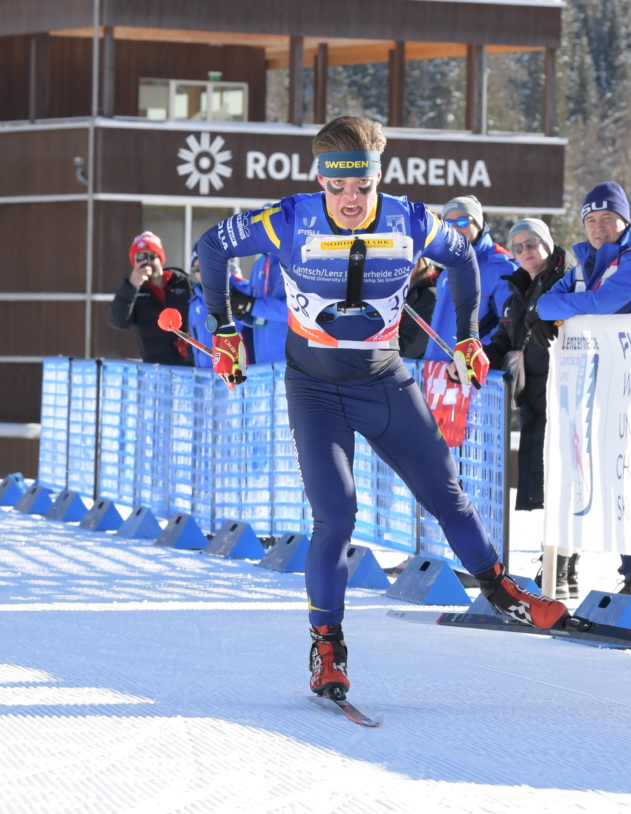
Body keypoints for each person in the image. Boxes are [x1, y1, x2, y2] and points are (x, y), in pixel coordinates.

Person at [197, 116, 569, 699]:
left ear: (378, 178)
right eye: (338, 187)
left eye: (362, 187)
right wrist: (224, 329)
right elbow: (211, 247)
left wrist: (469, 334)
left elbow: (465, 258)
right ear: (320, 178)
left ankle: (502, 591)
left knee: (447, 494)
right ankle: (327, 647)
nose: (350, 200)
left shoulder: (411, 219)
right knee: (337, 516)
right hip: (314, 387)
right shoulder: (290, 218)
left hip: (384, 379)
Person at [533, 182, 631, 611]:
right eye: (591, 220)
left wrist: (580, 304)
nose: (599, 227)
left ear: (624, 221)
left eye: (607, 219)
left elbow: (607, 303)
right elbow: (545, 306)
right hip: (605, 382)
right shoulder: (585, 260)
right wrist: (579, 303)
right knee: (616, 481)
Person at [484, 219, 577, 598]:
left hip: (564, 397)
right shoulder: (516, 291)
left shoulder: (567, 279)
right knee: (547, 487)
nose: (525, 251)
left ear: (548, 243)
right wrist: (479, 359)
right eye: (518, 246)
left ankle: (562, 567)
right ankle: (554, 566)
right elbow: (504, 338)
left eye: (532, 243)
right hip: (533, 400)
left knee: (566, 485)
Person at [424, 195, 516, 362]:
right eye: (448, 224)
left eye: (462, 222)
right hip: (438, 372)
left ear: (479, 225)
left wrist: (473, 357)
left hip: (473, 372)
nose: (455, 229)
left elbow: (509, 325)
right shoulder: (448, 268)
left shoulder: (501, 267)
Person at [107, 231, 193, 365]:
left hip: (190, 365)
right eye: (140, 258)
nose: (147, 262)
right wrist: (132, 285)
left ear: (160, 258)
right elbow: (118, 322)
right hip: (156, 369)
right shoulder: (133, 292)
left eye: (151, 257)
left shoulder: (183, 284)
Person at [397, 257, 441, 359]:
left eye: (405, 259)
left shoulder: (430, 295)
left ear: (420, 261)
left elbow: (409, 350)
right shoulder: (402, 290)